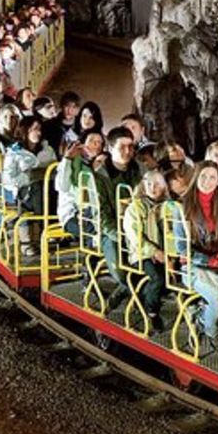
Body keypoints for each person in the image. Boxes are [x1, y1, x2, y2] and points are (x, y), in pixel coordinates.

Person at [177, 161, 218, 353]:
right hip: (194, 266)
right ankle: (210, 331)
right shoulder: (181, 207)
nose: (207, 181)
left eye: (212, 177)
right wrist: (208, 260)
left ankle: (204, 314)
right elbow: (181, 248)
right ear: (196, 178)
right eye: (203, 176)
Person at [92, 127, 143, 309]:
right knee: (123, 272)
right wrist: (121, 235)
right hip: (113, 232)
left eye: (130, 147)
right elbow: (102, 216)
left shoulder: (139, 171)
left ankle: (130, 295)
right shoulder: (100, 178)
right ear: (110, 148)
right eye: (122, 147)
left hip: (140, 230)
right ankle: (127, 291)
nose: (128, 152)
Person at [2, 117, 57, 259]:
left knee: (51, 188)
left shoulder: (47, 149)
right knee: (37, 187)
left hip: (47, 189)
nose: (37, 133)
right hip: (25, 192)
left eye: (39, 129)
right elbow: (8, 178)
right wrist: (30, 177)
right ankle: (45, 228)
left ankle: (50, 229)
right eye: (33, 129)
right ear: (25, 131)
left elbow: (56, 170)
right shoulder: (15, 152)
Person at [121, 170, 169, 330]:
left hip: (165, 252)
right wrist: (154, 252)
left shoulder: (168, 206)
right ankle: (151, 311)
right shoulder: (135, 208)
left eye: (157, 184)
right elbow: (135, 237)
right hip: (141, 253)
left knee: (174, 279)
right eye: (149, 184)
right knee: (158, 278)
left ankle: (139, 295)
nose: (152, 187)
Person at [54, 129, 106, 242]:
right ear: (82, 144)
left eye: (100, 142)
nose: (97, 145)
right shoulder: (71, 163)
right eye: (92, 141)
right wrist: (67, 158)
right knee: (95, 231)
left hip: (95, 211)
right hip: (72, 213)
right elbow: (62, 186)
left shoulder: (101, 163)